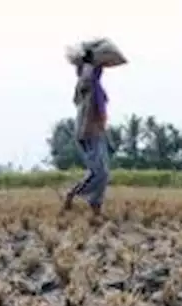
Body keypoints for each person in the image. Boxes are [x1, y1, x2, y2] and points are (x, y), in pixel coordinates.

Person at [62, 48, 110, 219]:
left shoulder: (95, 85)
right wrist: (88, 61)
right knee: (100, 172)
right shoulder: (86, 84)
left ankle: (95, 204)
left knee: (101, 172)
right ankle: (73, 193)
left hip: (97, 131)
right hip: (87, 132)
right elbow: (87, 75)